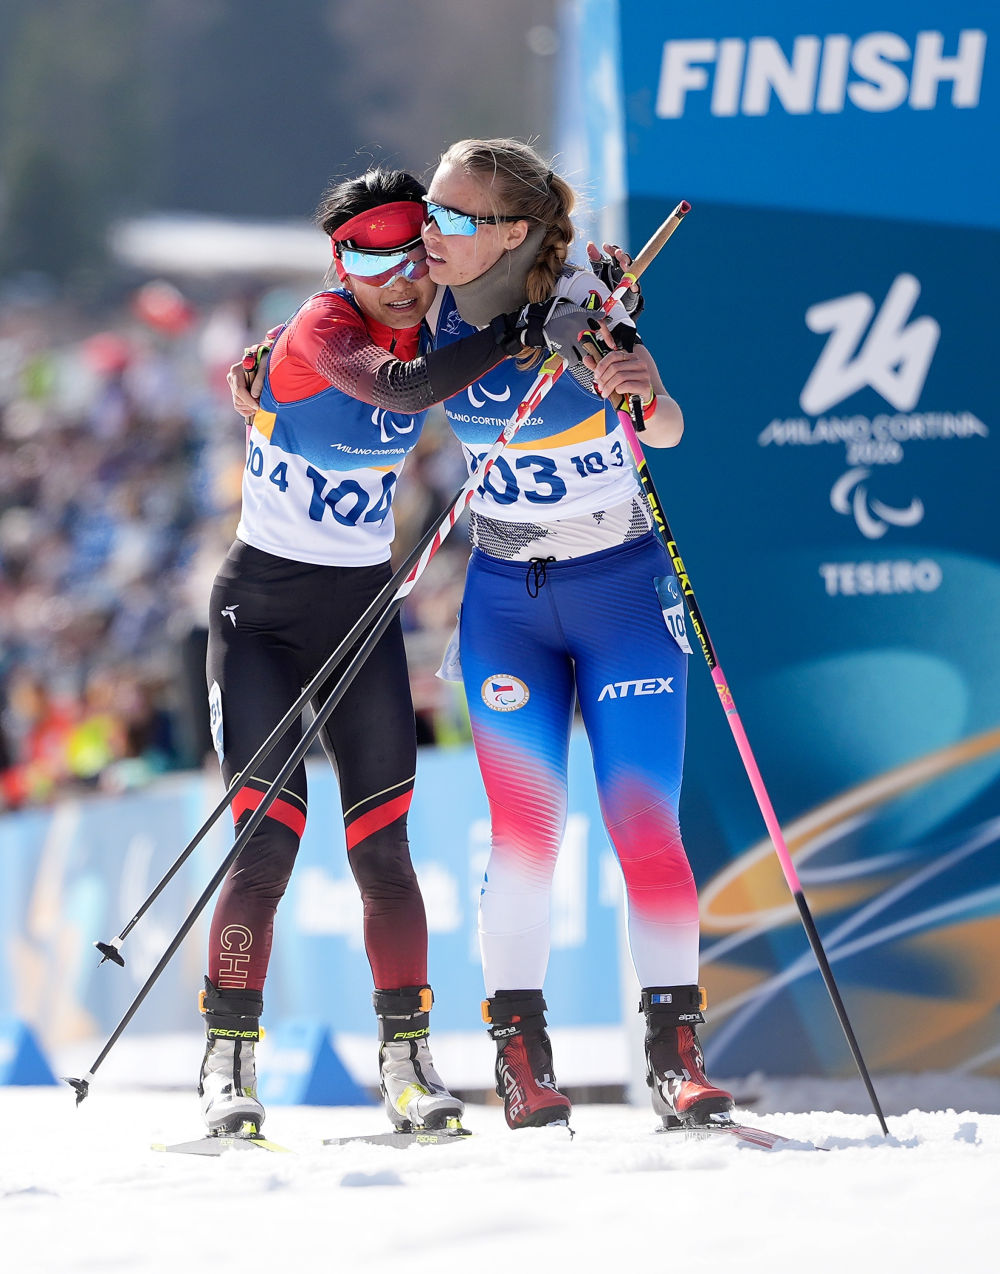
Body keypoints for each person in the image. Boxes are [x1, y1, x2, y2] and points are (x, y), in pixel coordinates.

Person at [230, 140, 732, 1134]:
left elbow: (665, 425)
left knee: (644, 825)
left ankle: (675, 1055)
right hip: (508, 602)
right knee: (525, 835)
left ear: (513, 233)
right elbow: (330, 339)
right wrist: (258, 362)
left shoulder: (585, 292)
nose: (429, 234)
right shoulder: (428, 309)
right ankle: (520, 1057)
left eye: (455, 219)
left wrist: (639, 384)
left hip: (620, 587)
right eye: (432, 213)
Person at [201, 167, 519, 1138]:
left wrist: (576, 296)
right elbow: (403, 388)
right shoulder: (321, 328)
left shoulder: (436, 317)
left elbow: (516, 271)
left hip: (361, 614)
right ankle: (228, 1061)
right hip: (260, 615)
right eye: (375, 264)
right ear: (342, 266)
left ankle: (407, 1063)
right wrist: (514, 334)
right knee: (266, 844)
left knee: (383, 848)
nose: (403, 281)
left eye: (414, 256)